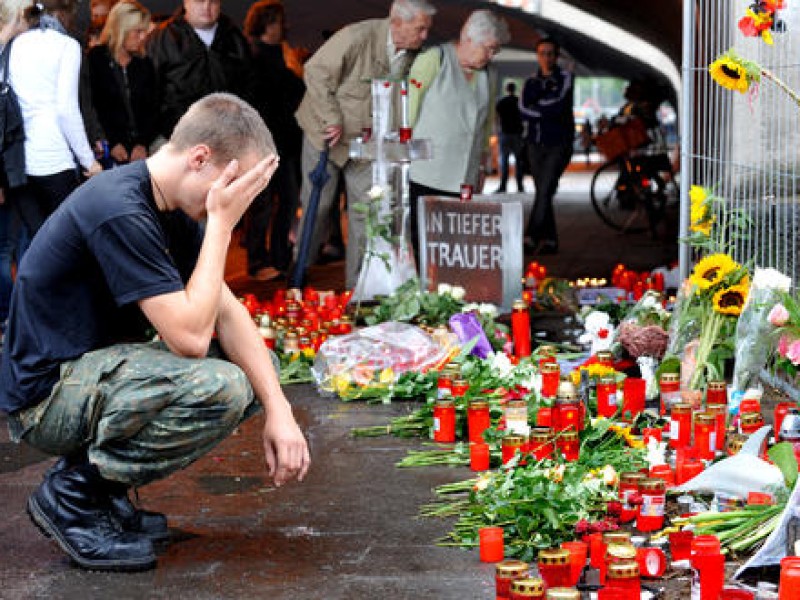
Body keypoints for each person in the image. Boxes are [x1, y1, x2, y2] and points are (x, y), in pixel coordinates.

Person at [0, 93, 310, 571]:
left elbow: (227, 315)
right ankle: (75, 494)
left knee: (258, 370)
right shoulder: (120, 206)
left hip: (91, 372)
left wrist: (281, 411)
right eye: (235, 186)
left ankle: (101, 493)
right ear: (200, 159)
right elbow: (189, 339)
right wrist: (222, 226)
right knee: (219, 384)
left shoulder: (167, 205)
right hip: (46, 397)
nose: (238, 203)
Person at [293, 0, 435, 288]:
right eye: (420, 29)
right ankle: (299, 272)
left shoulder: (410, 55)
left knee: (366, 212)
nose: (424, 36)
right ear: (397, 22)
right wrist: (331, 118)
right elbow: (316, 71)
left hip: (366, 144)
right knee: (319, 206)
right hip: (326, 135)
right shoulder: (357, 36)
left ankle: (358, 287)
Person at [408, 9, 508, 256]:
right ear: (468, 38)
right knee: (425, 243)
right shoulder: (434, 60)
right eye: (489, 48)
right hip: (428, 172)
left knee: (456, 246)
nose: (491, 55)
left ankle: (451, 293)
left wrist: (483, 164)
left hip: (465, 176)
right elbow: (408, 111)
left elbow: (486, 123)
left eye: (496, 50)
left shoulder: (490, 74)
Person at [5, 0, 103, 241]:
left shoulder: (12, 44)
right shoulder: (67, 46)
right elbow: (66, 110)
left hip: (19, 163)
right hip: (56, 159)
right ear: (66, 13)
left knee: (37, 243)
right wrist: (89, 161)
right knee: (68, 244)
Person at [242, 0, 305, 280]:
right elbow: (285, 91)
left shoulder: (281, 53)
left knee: (289, 200)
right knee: (262, 203)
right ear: (267, 24)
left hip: (285, 139)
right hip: (262, 140)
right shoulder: (254, 55)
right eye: (280, 22)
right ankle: (257, 261)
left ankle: (281, 257)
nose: (286, 27)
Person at [146, 0, 255, 147]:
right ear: (186, 3)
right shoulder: (163, 38)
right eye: (199, 1)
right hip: (176, 139)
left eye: (213, 2)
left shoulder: (235, 38)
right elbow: (150, 92)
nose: (206, 7)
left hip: (227, 140)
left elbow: (250, 88)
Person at [519, 37, 575, 256]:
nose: (546, 57)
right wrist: (543, 108)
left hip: (558, 144)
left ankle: (531, 236)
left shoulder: (566, 78)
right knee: (544, 191)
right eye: (542, 53)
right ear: (537, 55)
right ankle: (550, 240)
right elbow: (523, 109)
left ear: (556, 56)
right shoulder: (530, 81)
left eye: (550, 53)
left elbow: (559, 106)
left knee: (544, 189)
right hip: (534, 144)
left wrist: (538, 107)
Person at [85, 0, 157, 166]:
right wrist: (113, 141)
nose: (143, 37)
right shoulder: (96, 59)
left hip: (141, 150)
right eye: (137, 31)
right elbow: (94, 107)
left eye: (144, 31)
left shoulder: (144, 63)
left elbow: (152, 108)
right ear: (120, 29)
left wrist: (142, 143)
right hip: (108, 152)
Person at [494, 81, 525, 193]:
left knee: (504, 161)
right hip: (517, 134)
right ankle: (520, 186)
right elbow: (524, 117)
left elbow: (496, 118)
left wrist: (497, 131)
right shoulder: (519, 101)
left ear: (506, 89)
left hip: (505, 133)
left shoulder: (501, 102)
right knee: (519, 161)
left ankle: (503, 186)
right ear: (514, 89)